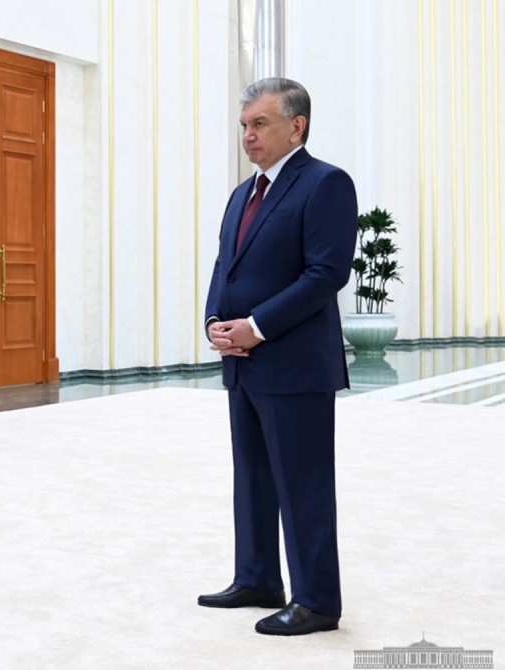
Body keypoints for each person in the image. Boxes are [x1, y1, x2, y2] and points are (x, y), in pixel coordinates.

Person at [198, 77, 357, 636]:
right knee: (252, 477)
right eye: (244, 125)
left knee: (303, 484)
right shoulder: (242, 194)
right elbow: (226, 266)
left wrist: (256, 328)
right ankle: (258, 577)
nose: (248, 134)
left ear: (297, 126)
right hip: (242, 363)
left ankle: (317, 601)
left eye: (259, 123)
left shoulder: (326, 183)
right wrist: (215, 321)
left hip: (295, 365)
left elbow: (325, 274)